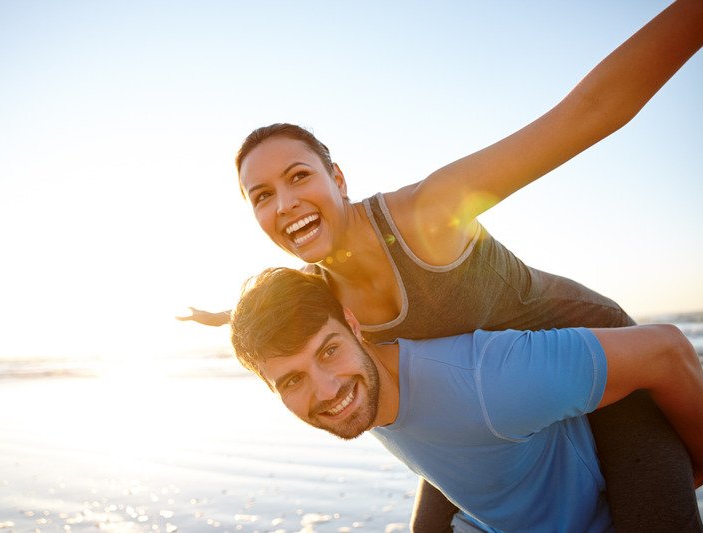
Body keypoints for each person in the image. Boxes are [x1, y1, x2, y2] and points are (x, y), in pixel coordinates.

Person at [178, 1, 703, 530]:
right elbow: (277, 317)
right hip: (483, 409)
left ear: (337, 177)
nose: (284, 204)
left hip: (594, 351)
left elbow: (591, 110)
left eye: (298, 176)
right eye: (262, 195)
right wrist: (224, 316)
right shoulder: (321, 295)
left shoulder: (427, 217)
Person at [229, 267, 703, 532]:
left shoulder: (489, 381)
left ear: (355, 327)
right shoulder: (361, 389)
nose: (326, 389)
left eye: (329, 351)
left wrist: (694, 469)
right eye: (292, 381)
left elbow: (666, 350)